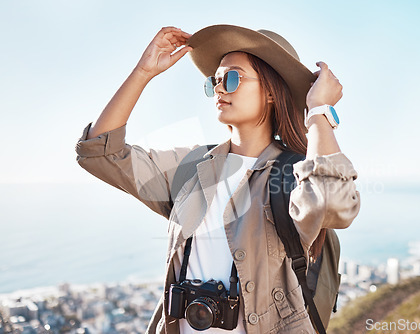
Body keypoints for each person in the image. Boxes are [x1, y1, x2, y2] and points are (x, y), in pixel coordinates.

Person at [75, 24, 361, 334]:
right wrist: (143, 73)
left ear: (269, 92)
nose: (220, 88)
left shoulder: (294, 174)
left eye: (234, 78)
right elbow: (100, 154)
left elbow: (335, 205)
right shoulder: (191, 167)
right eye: (216, 81)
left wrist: (319, 111)